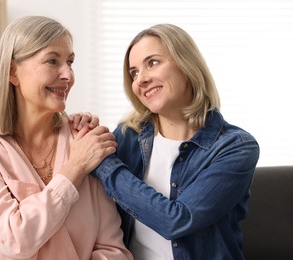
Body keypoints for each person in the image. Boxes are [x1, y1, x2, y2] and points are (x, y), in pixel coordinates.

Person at [0, 16, 133, 260]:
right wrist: (75, 168)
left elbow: (113, 250)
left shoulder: (84, 140)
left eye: (70, 62)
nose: (68, 75)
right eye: (52, 61)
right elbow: (14, 239)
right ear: (13, 71)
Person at [92, 24, 260, 260]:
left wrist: (103, 163)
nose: (141, 80)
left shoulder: (236, 147)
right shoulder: (127, 136)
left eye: (152, 63)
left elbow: (177, 221)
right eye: (134, 73)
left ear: (185, 64)